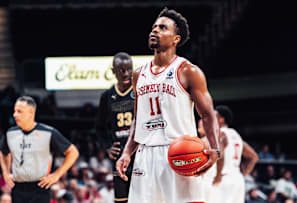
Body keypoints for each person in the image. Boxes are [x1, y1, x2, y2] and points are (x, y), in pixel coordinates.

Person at [116, 7, 220, 203]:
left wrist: (215, 149)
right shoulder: (139, 74)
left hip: (181, 151)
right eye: (154, 27)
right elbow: (138, 119)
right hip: (145, 155)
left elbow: (207, 115)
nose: (154, 30)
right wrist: (127, 152)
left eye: (162, 28)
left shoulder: (189, 71)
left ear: (176, 39)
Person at [0, 96, 79, 203]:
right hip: (17, 187)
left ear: (31, 113)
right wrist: (5, 172)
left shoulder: (48, 132)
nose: (15, 115)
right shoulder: (10, 133)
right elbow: (3, 153)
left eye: (19, 111)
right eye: (14, 111)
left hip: (40, 187)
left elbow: (73, 152)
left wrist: (57, 175)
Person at [95, 52, 135, 203]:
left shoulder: (139, 91)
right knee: (121, 200)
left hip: (139, 154)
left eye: (129, 69)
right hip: (119, 156)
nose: (126, 73)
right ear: (113, 71)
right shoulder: (107, 96)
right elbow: (99, 128)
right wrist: (107, 147)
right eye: (121, 70)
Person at [210, 105, 259, 203]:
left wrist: (218, 176)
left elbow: (221, 155)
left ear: (221, 119)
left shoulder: (220, 133)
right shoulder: (236, 134)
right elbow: (254, 157)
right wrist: (244, 174)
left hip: (223, 178)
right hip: (238, 179)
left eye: (215, 116)